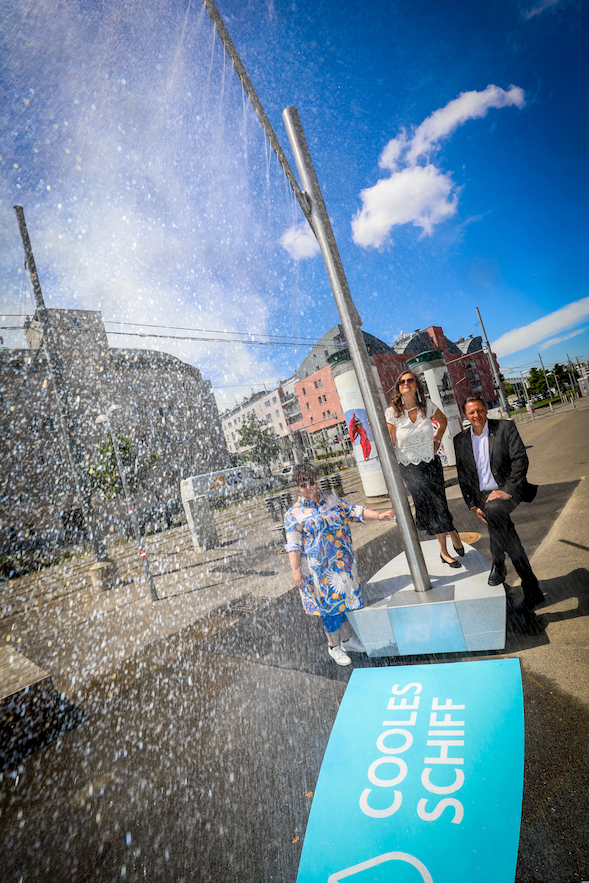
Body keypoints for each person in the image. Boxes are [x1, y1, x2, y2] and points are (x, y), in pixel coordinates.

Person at [284, 463, 395, 666]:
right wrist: (295, 570)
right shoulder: (295, 513)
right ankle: (333, 646)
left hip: (343, 563)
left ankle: (347, 640)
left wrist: (379, 515)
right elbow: (293, 544)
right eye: (303, 485)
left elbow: (354, 511)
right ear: (297, 487)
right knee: (330, 609)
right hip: (320, 570)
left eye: (311, 482)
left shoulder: (331, 500)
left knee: (344, 603)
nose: (309, 487)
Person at [454, 396, 544, 612]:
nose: (476, 416)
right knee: (509, 537)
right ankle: (532, 589)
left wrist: (507, 491)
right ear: (465, 416)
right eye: (471, 413)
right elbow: (463, 475)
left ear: (486, 410)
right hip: (483, 496)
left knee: (494, 509)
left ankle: (498, 563)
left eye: (479, 410)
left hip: (507, 489)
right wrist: (472, 505)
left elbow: (520, 460)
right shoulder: (460, 440)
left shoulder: (505, 428)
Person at [385, 370, 464, 567]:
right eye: (401, 381)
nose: (405, 383)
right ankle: (452, 533)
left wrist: (437, 440)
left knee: (439, 503)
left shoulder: (427, 406)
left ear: (417, 385)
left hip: (430, 462)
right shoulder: (393, 412)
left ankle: (444, 551)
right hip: (408, 468)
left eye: (409, 380)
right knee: (427, 505)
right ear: (398, 388)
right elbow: (390, 441)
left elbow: (443, 422)